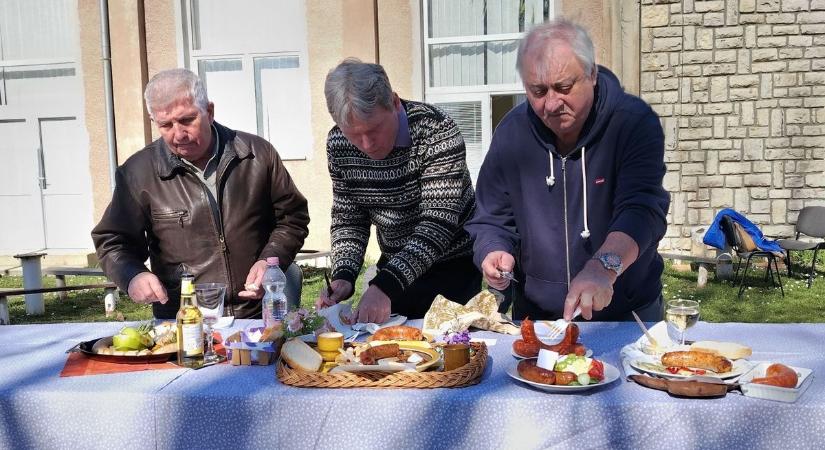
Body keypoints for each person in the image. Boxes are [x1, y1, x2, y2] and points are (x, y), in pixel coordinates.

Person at [466, 19, 670, 322]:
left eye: (563, 88)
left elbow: (642, 210)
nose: (551, 104)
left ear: (591, 74)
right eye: (537, 91)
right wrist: (493, 250)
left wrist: (602, 267)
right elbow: (491, 218)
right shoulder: (511, 133)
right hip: (538, 316)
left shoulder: (633, 122)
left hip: (627, 312)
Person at [92, 68, 310, 319]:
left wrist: (270, 260)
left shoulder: (257, 155)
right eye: (165, 125)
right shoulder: (138, 172)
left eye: (187, 120)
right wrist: (132, 275)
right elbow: (113, 240)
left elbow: (292, 218)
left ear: (209, 111)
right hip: (182, 320)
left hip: (256, 316)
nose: (178, 134)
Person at [315, 58, 481, 324]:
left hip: (452, 267)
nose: (367, 144)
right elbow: (350, 218)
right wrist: (344, 275)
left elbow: (437, 224)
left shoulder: (436, 130)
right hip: (395, 263)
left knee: (449, 352)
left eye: (374, 129)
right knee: (393, 355)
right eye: (354, 135)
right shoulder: (337, 143)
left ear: (393, 102)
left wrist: (384, 286)